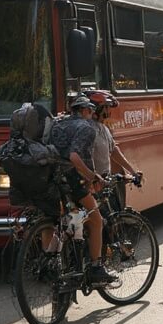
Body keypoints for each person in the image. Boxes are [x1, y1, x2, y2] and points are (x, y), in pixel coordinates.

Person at [48, 94, 113, 284]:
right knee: (96, 219)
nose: (92, 115)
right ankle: (95, 267)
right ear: (84, 111)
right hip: (71, 179)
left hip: (52, 178)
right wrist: (93, 177)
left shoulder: (58, 124)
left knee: (71, 219)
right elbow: (76, 157)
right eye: (91, 111)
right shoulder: (86, 127)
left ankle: (60, 258)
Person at [84, 89, 141, 212]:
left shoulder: (103, 129)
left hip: (103, 182)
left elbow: (114, 151)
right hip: (93, 183)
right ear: (97, 109)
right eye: (106, 107)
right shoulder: (88, 130)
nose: (109, 111)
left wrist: (133, 171)